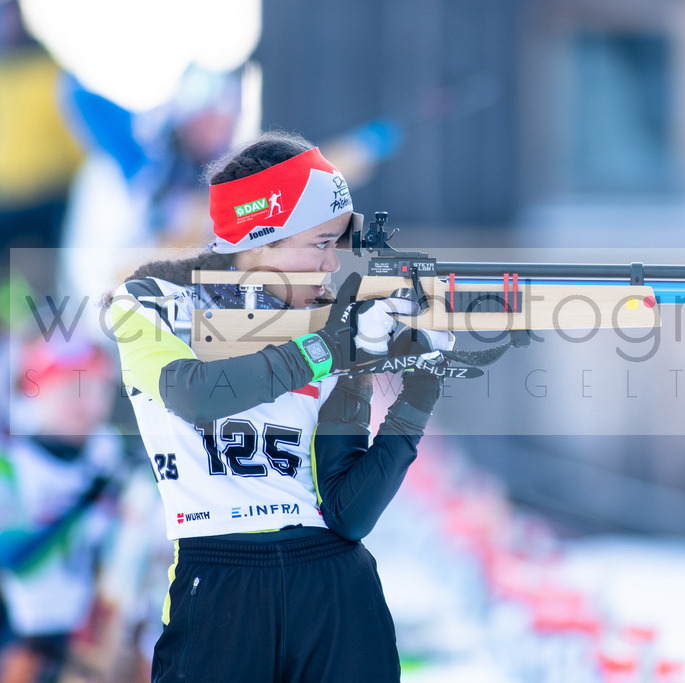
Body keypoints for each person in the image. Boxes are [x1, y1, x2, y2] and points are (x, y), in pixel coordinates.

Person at [105, 131, 453, 682]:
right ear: (262, 235)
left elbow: (347, 514)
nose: (332, 264)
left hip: (334, 583)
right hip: (218, 579)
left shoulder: (329, 319)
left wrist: (419, 389)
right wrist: (334, 347)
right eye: (321, 242)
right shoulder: (151, 299)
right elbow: (193, 393)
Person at [0, 335, 125, 683]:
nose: (82, 401)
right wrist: (83, 501)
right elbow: (10, 554)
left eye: (95, 386)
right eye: (69, 386)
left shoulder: (112, 454)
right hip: (27, 642)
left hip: (99, 643)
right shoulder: (12, 462)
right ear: (37, 392)